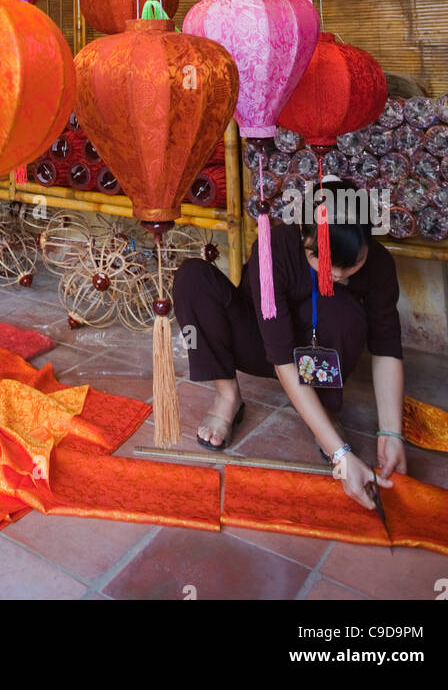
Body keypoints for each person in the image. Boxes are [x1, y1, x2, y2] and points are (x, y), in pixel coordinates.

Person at [172, 178, 407, 511]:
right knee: (191, 277)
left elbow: (386, 348)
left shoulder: (380, 265)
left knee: (343, 310)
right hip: (262, 344)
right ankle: (227, 396)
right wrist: (341, 455)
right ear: (302, 232)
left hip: (317, 357)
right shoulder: (274, 247)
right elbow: (281, 358)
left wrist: (391, 433)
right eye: (320, 258)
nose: (335, 273)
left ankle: (323, 409)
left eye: (349, 264)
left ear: (369, 241)